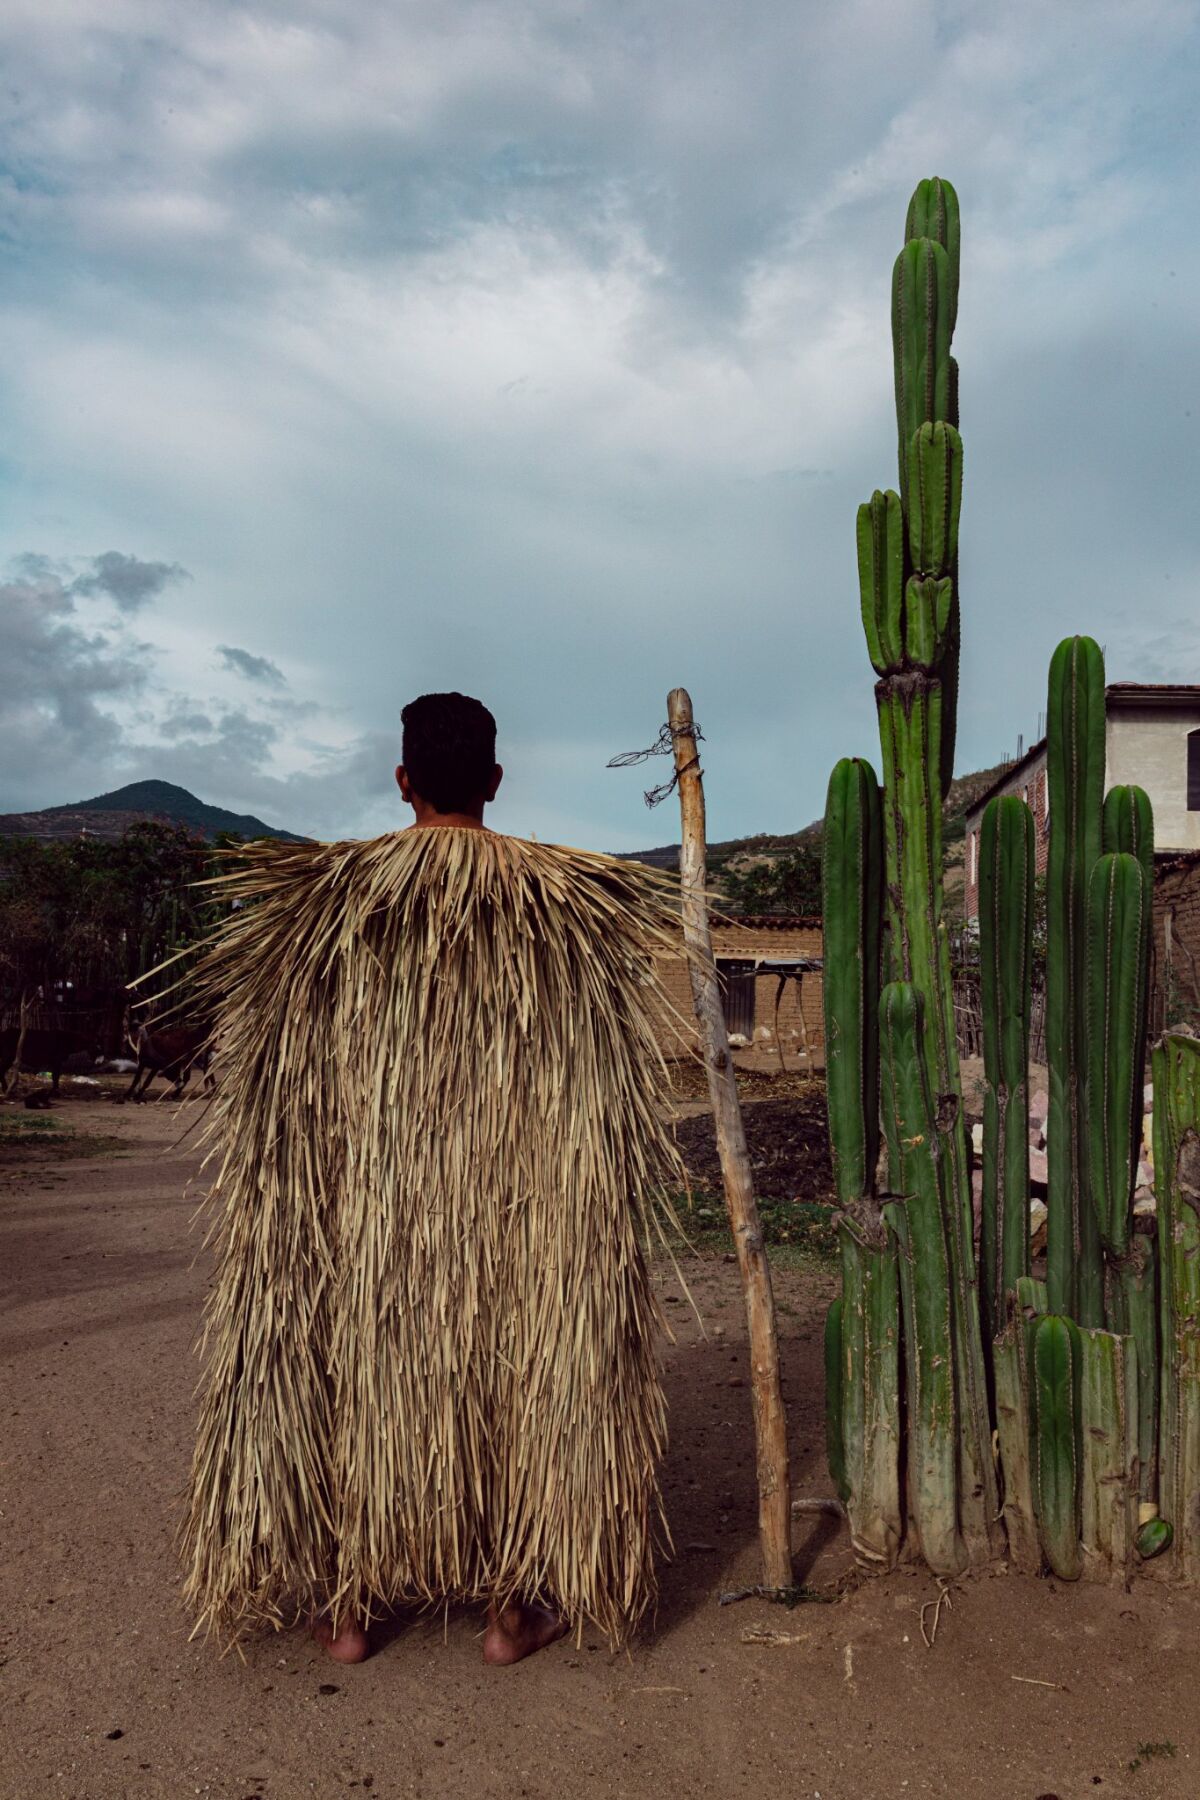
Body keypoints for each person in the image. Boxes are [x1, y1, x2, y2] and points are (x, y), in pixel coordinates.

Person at [180, 693, 683, 1673]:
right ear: (496, 783)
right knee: (523, 1375)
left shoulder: (316, 902)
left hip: (363, 1200)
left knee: (353, 1374)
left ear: (401, 779)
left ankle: (350, 1610)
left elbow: (275, 1096)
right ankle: (509, 1612)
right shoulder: (568, 908)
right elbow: (600, 1093)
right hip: (521, 1194)